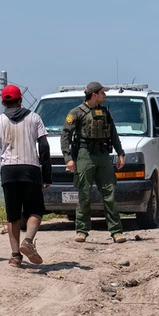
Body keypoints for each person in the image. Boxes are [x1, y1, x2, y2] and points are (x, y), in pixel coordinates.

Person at [0, 85, 52, 268]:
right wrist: (47, 174)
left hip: (9, 171)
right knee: (35, 210)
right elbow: (44, 147)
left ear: (3, 102)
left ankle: (15, 256)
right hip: (30, 169)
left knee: (13, 215)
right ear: (20, 100)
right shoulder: (34, 118)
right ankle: (28, 241)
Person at [61, 82, 127, 244]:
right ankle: (82, 230)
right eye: (102, 93)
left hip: (103, 155)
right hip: (85, 155)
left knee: (109, 194)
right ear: (94, 95)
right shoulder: (76, 112)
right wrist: (68, 158)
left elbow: (113, 133)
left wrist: (120, 153)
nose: (105, 96)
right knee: (84, 194)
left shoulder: (105, 112)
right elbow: (65, 136)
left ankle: (116, 231)